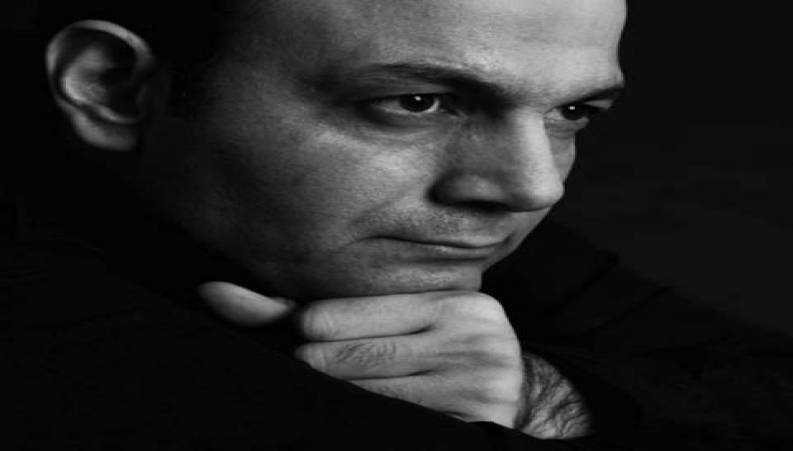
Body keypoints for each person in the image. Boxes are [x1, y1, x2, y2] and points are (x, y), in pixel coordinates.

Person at [2, 0, 792, 449]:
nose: (532, 186)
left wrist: (543, 398)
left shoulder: (404, 222)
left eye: (573, 111)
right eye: (416, 102)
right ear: (112, 87)